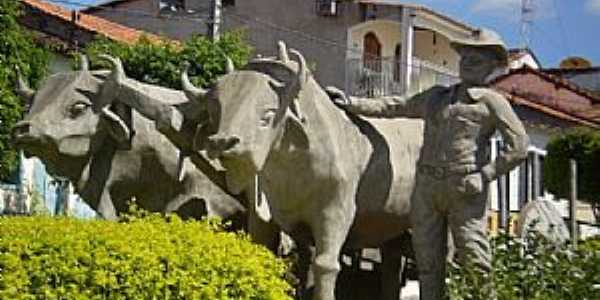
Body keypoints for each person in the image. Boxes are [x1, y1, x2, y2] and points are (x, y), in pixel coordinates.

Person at [327, 28, 529, 299]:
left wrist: (485, 175)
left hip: (465, 190)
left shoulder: (494, 103)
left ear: (492, 66)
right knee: (428, 264)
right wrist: (352, 103)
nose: (467, 63)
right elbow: (395, 106)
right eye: (465, 57)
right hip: (426, 189)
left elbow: (519, 146)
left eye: (476, 59)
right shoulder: (436, 97)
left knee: (475, 260)